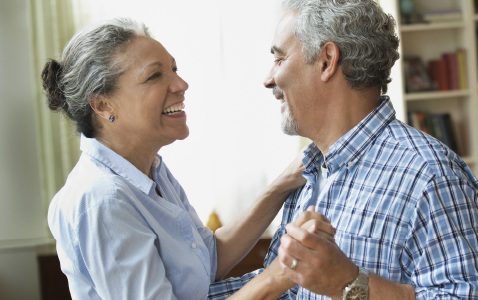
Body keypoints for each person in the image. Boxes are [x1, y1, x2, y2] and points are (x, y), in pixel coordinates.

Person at [208, 0, 478, 299]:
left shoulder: (430, 175)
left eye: (280, 59)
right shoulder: (310, 174)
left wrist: (348, 282)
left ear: (326, 60)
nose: (269, 78)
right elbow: (288, 288)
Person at [42, 17, 334, 299]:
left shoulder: (151, 169)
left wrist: (283, 183)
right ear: (104, 105)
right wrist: (282, 273)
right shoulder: (102, 201)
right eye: (155, 75)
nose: (181, 84)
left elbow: (209, 258)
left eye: (174, 69)